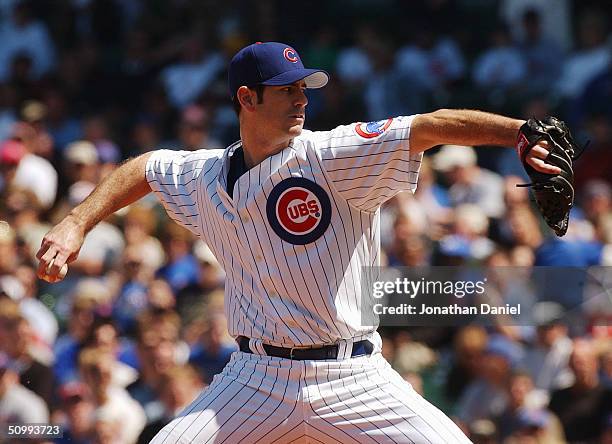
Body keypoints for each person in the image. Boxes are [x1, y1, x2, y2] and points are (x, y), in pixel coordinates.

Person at [36, 41, 562, 443]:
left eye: (303, 88)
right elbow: (145, 168)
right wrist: (76, 221)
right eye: (287, 89)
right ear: (247, 98)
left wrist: (518, 132)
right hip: (255, 376)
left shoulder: (332, 156)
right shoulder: (204, 175)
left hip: (353, 376)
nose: (301, 100)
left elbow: (429, 126)